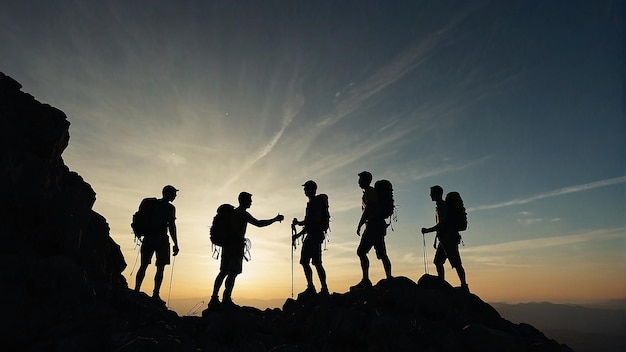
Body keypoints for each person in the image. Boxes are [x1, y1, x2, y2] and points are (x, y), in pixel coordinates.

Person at [209, 192, 284, 308]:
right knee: (233, 273)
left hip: (227, 245)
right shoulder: (243, 214)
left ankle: (214, 298)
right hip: (236, 246)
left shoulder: (232, 213)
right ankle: (226, 299)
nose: (251, 202)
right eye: (249, 200)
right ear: (243, 201)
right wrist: (275, 219)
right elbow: (259, 223)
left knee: (223, 271)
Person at [134, 185, 180, 304]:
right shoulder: (170, 208)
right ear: (169, 194)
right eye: (174, 193)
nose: (175, 196)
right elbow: (172, 226)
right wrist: (176, 243)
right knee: (160, 268)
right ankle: (155, 294)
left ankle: (136, 290)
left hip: (148, 238)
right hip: (161, 239)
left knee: (143, 265)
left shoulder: (153, 205)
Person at [421, 185, 469, 292]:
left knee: (456, 263)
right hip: (445, 239)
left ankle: (463, 285)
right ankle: (443, 283)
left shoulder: (442, 206)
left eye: (432, 193)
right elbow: (442, 224)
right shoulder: (440, 206)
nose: (430, 195)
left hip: (449, 239)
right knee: (439, 261)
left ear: (437, 194)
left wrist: (428, 230)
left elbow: (442, 224)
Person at [352, 171, 392, 289]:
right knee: (381, 253)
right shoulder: (370, 192)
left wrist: (360, 224)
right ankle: (388, 277)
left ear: (365, 181)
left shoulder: (369, 192)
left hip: (373, 227)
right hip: (377, 226)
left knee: (362, 252)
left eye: (360, 180)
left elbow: (368, 209)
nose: (358, 182)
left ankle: (366, 280)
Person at [292, 180, 329, 296]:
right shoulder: (312, 203)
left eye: (305, 189)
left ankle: (322, 288)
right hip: (313, 235)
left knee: (316, 263)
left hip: (314, 236)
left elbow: (312, 222)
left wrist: (299, 233)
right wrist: (299, 223)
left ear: (310, 189)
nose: (304, 191)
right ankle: (313, 287)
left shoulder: (314, 203)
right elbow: (308, 221)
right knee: (305, 261)